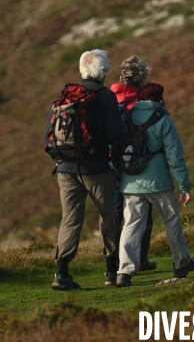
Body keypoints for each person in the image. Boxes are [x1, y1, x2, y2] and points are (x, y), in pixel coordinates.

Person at [113, 55, 194, 287]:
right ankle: (181, 262)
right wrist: (183, 187)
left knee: (131, 225)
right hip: (159, 183)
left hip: (130, 182)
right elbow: (175, 157)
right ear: (160, 100)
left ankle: (124, 271)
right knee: (171, 221)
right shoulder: (163, 119)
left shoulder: (126, 116)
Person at [45, 49, 121, 290]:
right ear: (105, 72)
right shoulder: (106, 97)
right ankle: (111, 270)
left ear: (82, 70)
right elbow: (113, 134)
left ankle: (62, 273)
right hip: (96, 168)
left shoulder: (66, 95)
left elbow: (48, 130)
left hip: (65, 168)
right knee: (108, 217)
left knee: (70, 219)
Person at [110, 59, 167, 271]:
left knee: (116, 211)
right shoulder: (143, 102)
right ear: (144, 80)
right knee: (143, 208)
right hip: (139, 162)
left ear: (120, 78)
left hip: (112, 161)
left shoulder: (109, 98)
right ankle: (141, 258)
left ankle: (115, 260)